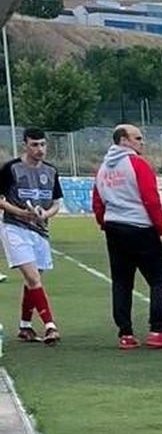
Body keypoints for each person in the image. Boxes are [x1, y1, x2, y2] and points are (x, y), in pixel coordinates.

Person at [90, 125, 162, 350]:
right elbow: (151, 198)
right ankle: (157, 331)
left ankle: (125, 334)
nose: (142, 142)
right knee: (159, 280)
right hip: (141, 227)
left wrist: (105, 224)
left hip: (114, 228)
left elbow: (97, 202)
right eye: (138, 138)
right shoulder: (137, 164)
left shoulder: (102, 169)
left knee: (121, 281)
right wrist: (161, 229)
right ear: (124, 140)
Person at [0, 128, 65, 344]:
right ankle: (50, 326)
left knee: (32, 280)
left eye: (43, 144)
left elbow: (56, 203)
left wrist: (45, 214)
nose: (40, 149)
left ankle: (25, 327)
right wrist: (21, 213)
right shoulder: (11, 168)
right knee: (33, 278)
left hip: (40, 231)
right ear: (25, 145)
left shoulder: (51, 171)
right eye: (34, 145)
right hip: (15, 227)